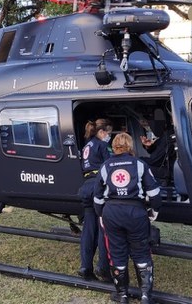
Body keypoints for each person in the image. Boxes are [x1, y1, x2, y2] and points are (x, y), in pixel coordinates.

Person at [94, 133, 162, 304]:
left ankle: (122, 295)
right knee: (141, 253)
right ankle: (146, 297)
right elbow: (154, 192)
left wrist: (101, 214)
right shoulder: (140, 164)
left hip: (112, 213)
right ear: (130, 146)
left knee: (117, 254)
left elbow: (97, 196)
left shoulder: (105, 166)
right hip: (136, 213)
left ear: (114, 146)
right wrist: (154, 210)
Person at [78, 118, 113, 281]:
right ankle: (103, 268)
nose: (109, 136)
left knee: (88, 229)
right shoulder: (102, 145)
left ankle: (85, 266)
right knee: (102, 228)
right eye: (109, 132)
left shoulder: (87, 145)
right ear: (101, 132)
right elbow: (109, 166)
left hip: (86, 186)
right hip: (98, 186)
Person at [139, 119, 176, 187]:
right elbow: (155, 149)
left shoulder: (168, 136)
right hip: (170, 168)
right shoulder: (164, 136)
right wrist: (149, 146)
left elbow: (155, 160)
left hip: (170, 171)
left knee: (141, 167)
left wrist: (137, 160)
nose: (147, 129)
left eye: (147, 125)